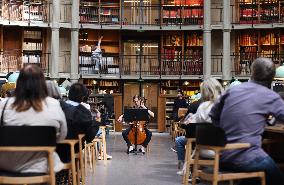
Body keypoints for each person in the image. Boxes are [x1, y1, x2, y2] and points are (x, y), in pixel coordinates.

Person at [209, 58, 284, 185]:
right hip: (247, 156)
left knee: (254, 178)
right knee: (278, 178)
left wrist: (224, 133)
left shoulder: (232, 90)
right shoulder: (270, 96)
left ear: (252, 72)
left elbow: (213, 115)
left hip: (221, 155)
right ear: (272, 77)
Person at [0, 65, 67, 173]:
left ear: (19, 83)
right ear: (42, 83)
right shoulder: (53, 105)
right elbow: (61, 136)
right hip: (41, 167)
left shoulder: (4, 104)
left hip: (7, 166)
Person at [175, 78, 223, 178]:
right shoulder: (227, 105)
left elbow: (188, 127)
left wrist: (187, 121)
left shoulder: (202, 107)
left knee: (180, 140)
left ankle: (186, 169)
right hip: (227, 149)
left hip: (204, 148)